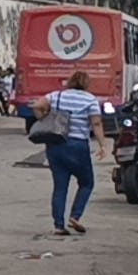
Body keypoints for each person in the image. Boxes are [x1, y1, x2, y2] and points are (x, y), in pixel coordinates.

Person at [29, 71, 108, 236]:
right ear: (86, 84)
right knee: (87, 183)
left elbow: (36, 105)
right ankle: (75, 216)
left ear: (70, 82)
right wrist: (102, 144)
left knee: (60, 187)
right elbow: (96, 122)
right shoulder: (90, 100)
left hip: (56, 144)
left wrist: (43, 118)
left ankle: (59, 225)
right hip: (78, 145)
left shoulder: (57, 96)